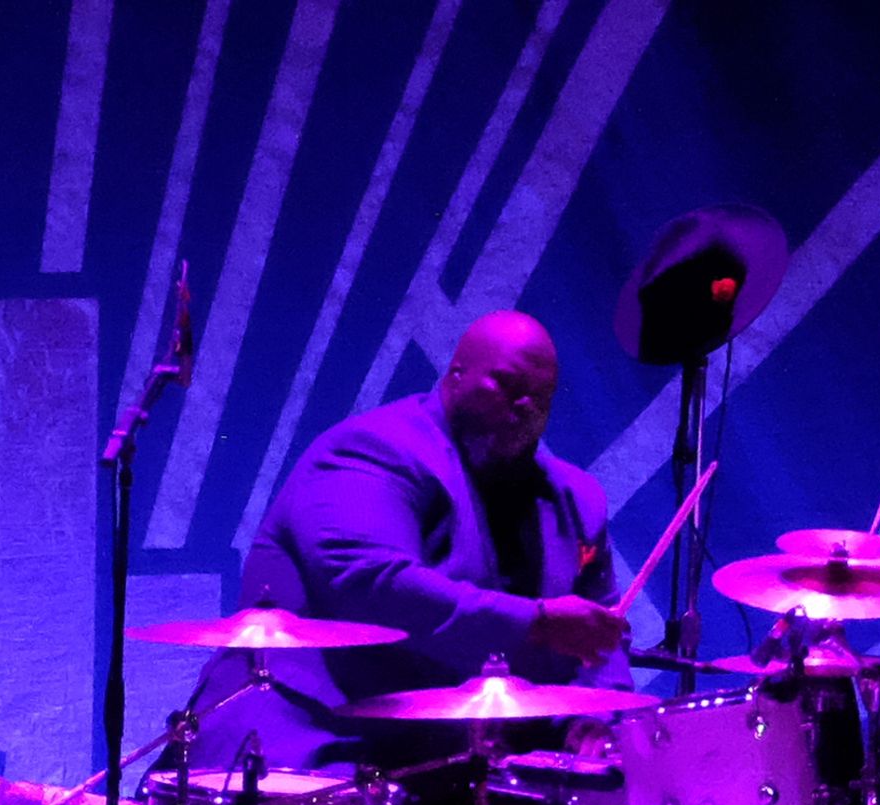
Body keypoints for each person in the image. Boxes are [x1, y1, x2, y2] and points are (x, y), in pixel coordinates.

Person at [192, 310, 632, 773]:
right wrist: (537, 623)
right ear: (457, 373)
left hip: (440, 763)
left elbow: (603, 637)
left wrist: (596, 720)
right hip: (299, 751)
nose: (525, 406)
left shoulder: (574, 499)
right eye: (506, 384)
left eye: (541, 398)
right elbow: (375, 586)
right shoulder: (371, 452)